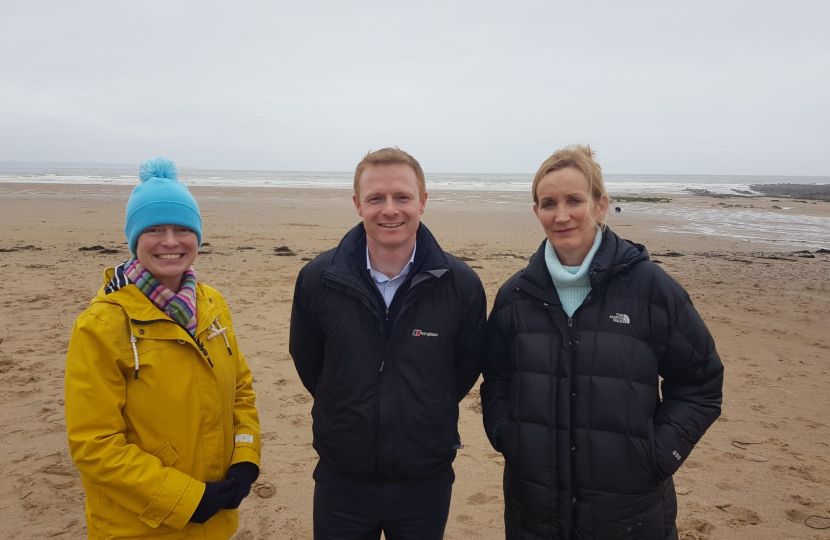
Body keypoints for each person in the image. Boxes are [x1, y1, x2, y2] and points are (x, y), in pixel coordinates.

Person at [481, 145, 723, 540]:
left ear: (600, 205)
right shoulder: (515, 295)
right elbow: (496, 377)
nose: (561, 215)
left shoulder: (651, 288)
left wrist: (657, 456)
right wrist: (509, 436)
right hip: (534, 506)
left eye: (574, 200)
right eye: (548, 203)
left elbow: (701, 384)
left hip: (630, 512)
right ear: (536, 211)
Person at [289, 147, 487, 540]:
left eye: (402, 197)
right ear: (357, 204)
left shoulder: (461, 284)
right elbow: (310, 363)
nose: (389, 210)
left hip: (424, 478)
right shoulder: (317, 279)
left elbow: (463, 370)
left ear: (423, 202)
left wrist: (422, 409)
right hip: (341, 477)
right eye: (376, 198)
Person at [65, 157, 261, 540]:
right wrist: (185, 499)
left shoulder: (212, 305)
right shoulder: (102, 325)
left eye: (182, 229)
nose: (170, 242)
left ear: (198, 237)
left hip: (217, 518)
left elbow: (241, 389)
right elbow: (94, 445)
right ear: (135, 238)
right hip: (139, 527)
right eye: (154, 229)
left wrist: (245, 459)